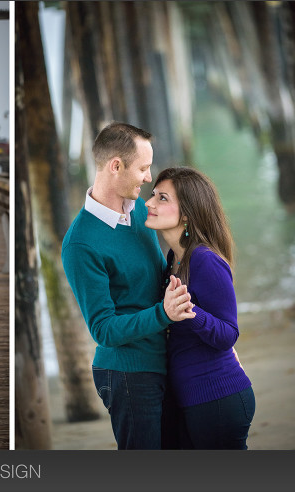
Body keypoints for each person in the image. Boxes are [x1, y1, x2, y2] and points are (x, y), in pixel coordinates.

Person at [61, 122, 196, 449]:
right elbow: (103, 329)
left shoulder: (138, 209)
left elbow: (172, 257)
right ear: (116, 166)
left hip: (166, 360)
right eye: (144, 168)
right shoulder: (81, 244)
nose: (149, 178)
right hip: (128, 375)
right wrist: (163, 313)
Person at [145, 166, 254, 449]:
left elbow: (229, 334)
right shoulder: (174, 258)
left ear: (187, 215)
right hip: (191, 397)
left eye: (162, 199)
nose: (149, 203)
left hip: (216, 396)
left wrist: (189, 312)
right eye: (153, 195)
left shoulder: (205, 260)